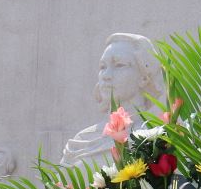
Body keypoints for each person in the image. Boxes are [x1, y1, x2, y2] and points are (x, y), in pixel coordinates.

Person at [61, 33, 163, 166]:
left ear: (144, 76)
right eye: (103, 67)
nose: (106, 76)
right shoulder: (81, 141)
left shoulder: (157, 139)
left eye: (119, 65)